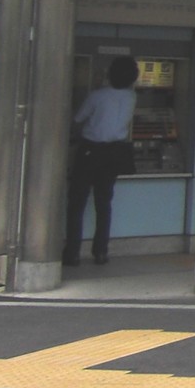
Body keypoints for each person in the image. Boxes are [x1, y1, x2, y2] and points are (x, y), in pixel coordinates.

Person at [64, 56, 139, 267]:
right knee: (104, 203)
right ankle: (101, 252)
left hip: (90, 151)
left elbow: (78, 119)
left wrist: (98, 84)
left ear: (109, 74)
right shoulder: (132, 97)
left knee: (77, 203)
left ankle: (73, 252)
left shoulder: (97, 96)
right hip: (115, 153)